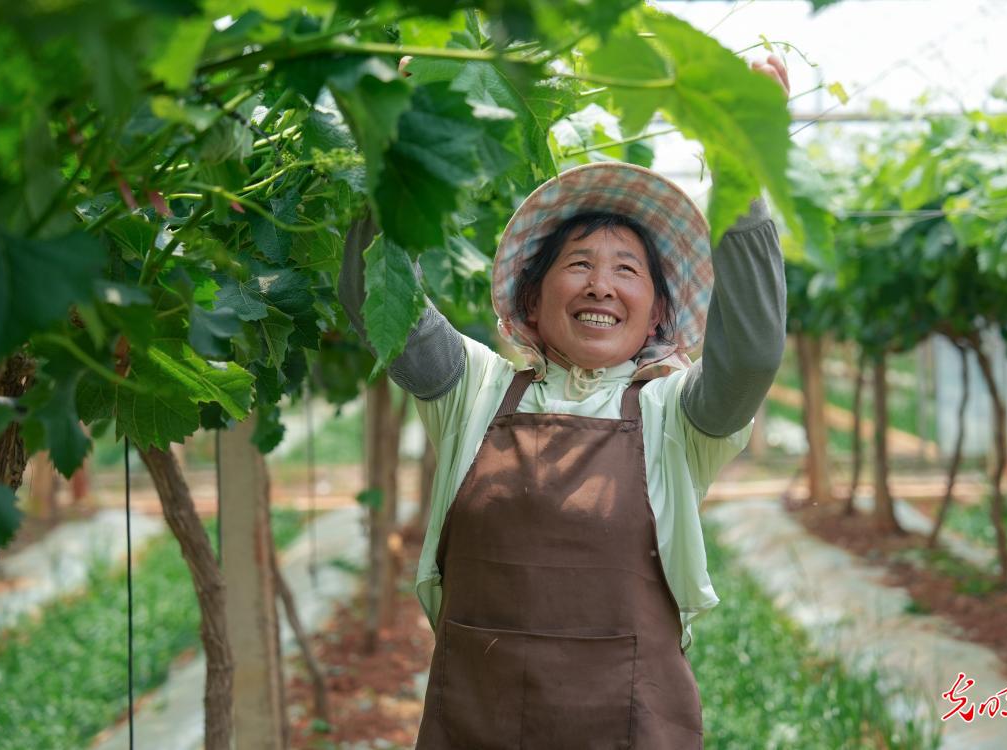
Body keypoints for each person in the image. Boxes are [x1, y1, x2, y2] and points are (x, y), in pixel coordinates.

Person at [338, 56, 789, 750]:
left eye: (626, 270)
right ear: (531, 296)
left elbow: (752, 353)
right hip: (474, 722)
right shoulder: (474, 389)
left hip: (628, 725)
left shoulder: (676, 417)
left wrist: (741, 171)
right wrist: (401, 145)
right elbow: (380, 310)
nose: (600, 286)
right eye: (577, 264)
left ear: (658, 311)